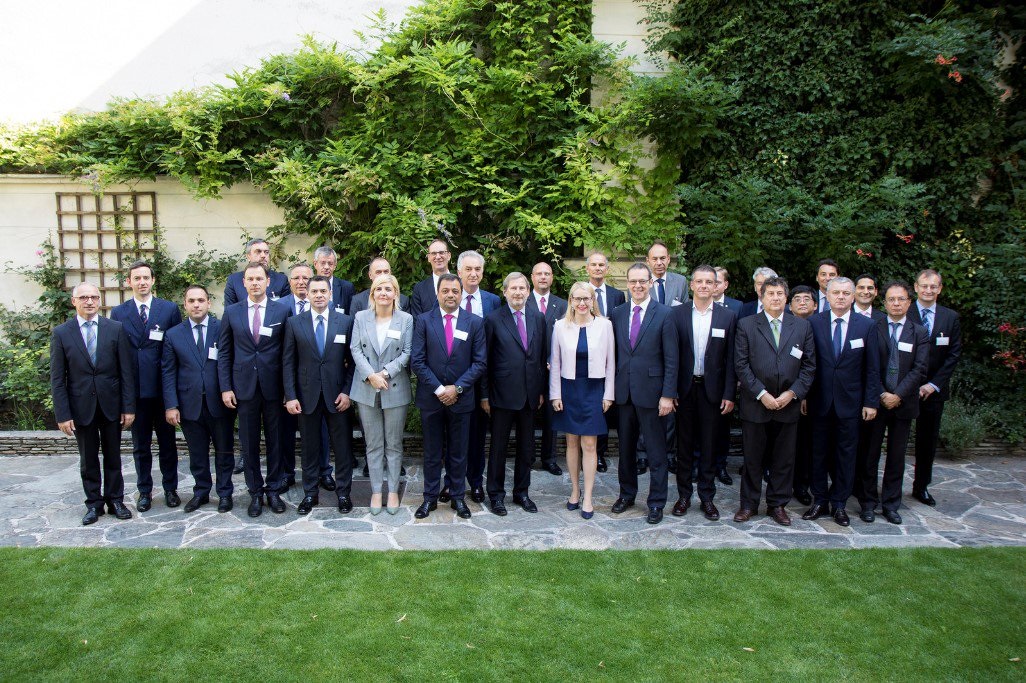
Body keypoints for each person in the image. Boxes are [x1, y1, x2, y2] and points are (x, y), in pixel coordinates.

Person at [50, 283, 136, 525]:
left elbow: (126, 372)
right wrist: (62, 414)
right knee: (88, 459)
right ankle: (93, 504)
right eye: (84, 297)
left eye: (94, 297)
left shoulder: (115, 329)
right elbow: (58, 378)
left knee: (113, 456)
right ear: (74, 301)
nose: (89, 301)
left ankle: (115, 500)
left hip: (111, 404)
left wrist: (128, 407)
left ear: (100, 301)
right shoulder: (62, 333)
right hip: (80, 408)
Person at [733, 276, 816, 526]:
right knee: (752, 459)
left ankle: (777, 505)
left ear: (786, 298)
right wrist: (762, 394)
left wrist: (792, 394)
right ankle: (748, 504)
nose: (776, 298)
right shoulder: (747, 325)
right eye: (771, 294)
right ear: (762, 297)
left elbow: (809, 366)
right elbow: (741, 364)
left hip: (787, 405)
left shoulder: (801, 327)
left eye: (780, 294)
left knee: (784, 459)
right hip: (757, 403)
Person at [803, 276, 880, 527]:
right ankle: (819, 501)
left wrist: (870, 401)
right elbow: (807, 364)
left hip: (851, 404)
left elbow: (872, 368)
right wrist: (803, 395)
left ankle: (839, 504)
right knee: (817, 454)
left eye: (846, 293)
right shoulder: (814, 323)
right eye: (836, 292)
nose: (841, 297)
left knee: (846, 456)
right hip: (819, 401)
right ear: (827, 294)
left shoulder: (866, 326)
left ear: (853, 296)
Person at [217, 261, 291, 518]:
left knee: (276, 442)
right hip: (244, 389)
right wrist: (226, 387)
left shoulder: (281, 312)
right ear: (244, 283)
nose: (255, 283)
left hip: (274, 389)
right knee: (248, 444)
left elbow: (287, 354)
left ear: (268, 282)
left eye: (260, 278)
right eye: (250, 279)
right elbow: (224, 352)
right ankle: (255, 493)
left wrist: (288, 390)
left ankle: (273, 490)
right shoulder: (233, 312)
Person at [411, 274, 487, 520]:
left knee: (458, 452)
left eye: (455, 291)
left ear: (462, 293)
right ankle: (429, 498)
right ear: (438, 293)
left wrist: (458, 388)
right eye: (446, 291)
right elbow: (418, 361)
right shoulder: (423, 321)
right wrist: (440, 389)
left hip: (462, 399)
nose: (451, 295)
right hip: (431, 399)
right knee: (432, 452)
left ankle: (457, 497)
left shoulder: (474, 322)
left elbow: (479, 363)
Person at [109, 260, 182, 511]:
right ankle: (144, 491)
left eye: (146, 278)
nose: (142, 282)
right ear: (128, 282)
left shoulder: (169, 309)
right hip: (136, 391)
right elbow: (118, 354)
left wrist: (174, 396)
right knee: (140, 446)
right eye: (136, 278)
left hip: (163, 389)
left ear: (153, 281)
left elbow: (175, 350)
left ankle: (171, 489)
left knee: (168, 444)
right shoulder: (119, 313)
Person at [609, 263, 679, 524]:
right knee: (625, 450)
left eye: (642, 281)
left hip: (653, 394)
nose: (637, 286)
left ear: (650, 282)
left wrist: (668, 395)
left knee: (656, 451)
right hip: (624, 393)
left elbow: (672, 358)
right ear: (627, 284)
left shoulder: (664, 314)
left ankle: (656, 502)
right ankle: (627, 494)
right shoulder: (617, 313)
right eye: (633, 281)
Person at [282, 276, 356, 515]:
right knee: (310, 449)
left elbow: (353, 362)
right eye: (314, 291)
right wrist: (291, 396)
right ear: (308, 294)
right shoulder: (294, 323)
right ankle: (310, 494)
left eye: (323, 291)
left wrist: (347, 392)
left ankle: (343, 494)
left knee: (343, 449)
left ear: (330, 294)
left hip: (338, 397)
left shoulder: (345, 322)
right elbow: (288, 362)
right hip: (306, 398)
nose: (319, 295)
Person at [858, 280, 929, 524]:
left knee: (897, 457)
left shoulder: (919, 332)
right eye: (891, 299)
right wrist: (881, 394)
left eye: (901, 299)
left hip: (903, 404)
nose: (896, 303)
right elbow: (867, 365)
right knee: (869, 455)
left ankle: (890, 504)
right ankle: (867, 503)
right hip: (875, 402)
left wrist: (897, 394)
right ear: (884, 302)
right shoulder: (872, 327)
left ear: (909, 302)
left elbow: (920, 369)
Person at [669, 265, 737, 520]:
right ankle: (684, 496)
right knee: (684, 446)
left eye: (710, 282)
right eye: (700, 281)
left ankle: (707, 497)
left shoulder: (727, 317)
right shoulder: (677, 315)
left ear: (717, 285)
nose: (705, 286)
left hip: (713, 392)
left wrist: (729, 394)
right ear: (692, 285)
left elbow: (731, 360)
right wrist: (671, 390)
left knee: (709, 446)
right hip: (685, 390)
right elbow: (672, 356)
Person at [161, 285, 235, 513]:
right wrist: (171, 404)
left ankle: (224, 494)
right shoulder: (174, 334)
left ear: (208, 303)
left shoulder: (222, 327)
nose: (196, 305)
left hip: (219, 403)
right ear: (185, 304)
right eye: (191, 301)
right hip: (189, 405)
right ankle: (201, 492)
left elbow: (231, 361)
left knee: (224, 452)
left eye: (200, 300)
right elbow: (168, 371)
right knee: (197, 454)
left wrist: (229, 390)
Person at [481, 272, 548, 515]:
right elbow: (485, 361)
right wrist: (485, 395)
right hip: (501, 396)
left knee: (527, 448)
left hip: (530, 396)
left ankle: (522, 492)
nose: (518, 292)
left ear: (528, 292)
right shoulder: (493, 320)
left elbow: (541, 358)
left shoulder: (538, 318)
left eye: (522, 288)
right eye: (513, 288)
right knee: (498, 448)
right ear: (505, 291)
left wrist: (540, 391)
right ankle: (496, 496)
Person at [550, 282, 615, 519]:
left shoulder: (605, 325)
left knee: (590, 444)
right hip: (568, 389)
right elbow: (555, 362)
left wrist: (609, 394)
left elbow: (611, 362)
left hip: (594, 389)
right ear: (570, 301)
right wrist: (555, 394)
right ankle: (574, 491)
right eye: (577, 299)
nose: (582, 303)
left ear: (592, 300)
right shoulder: (560, 326)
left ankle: (588, 496)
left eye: (586, 298)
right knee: (571, 443)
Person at [350, 273, 413, 515]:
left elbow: (407, 352)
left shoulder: (406, 319)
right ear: (372, 294)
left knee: (394, 444)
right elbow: (355, 349)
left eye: (388, 289)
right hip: (366, 388)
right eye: (379, 289)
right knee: (374, 444)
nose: (384, 293)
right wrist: (370, 375)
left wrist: (385, 373)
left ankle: (394, 491)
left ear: (396, 293)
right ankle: (377, 491)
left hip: (394, 387)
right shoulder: (360, 317)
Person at [905, 268, 962, 506]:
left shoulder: (950, 317)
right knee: (896, 441)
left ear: (940, 289)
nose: (928, 290)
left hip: (933, 391)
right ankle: (887, 487)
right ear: (916, 287)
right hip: (905, 389)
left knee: (927, 441)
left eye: (934, 286)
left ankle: (921, 487)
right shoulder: (903, 312)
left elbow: (953, 354)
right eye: (924, 286)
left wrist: (933, 385)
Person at [449, 249, 499, 504]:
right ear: (458, 272)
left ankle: (476, 482)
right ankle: (451, 482)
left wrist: (487, 391)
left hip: (482, 380)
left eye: (477, 269)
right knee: (452, 436)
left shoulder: (493, 301)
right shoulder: (449, 298)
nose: (473, 274)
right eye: (468, 269)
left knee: (478, 435)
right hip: (453, 379)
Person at [526, 261, 567, 475]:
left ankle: (549, 459)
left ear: (552, 278)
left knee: (553, 414)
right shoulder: (524, 301)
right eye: (539, 273)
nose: (543, 277)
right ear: (532, 277)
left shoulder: (561, 305)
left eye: (547, 274)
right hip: (531, 369)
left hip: (554, 369)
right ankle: (529, 456)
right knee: (530, 413)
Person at [277, 263, 314, 493]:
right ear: (289, 282)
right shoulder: (279, 308)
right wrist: (285, 388)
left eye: (305, 278)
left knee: (318, 430)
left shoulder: (323, 305)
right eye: (296, 278)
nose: (301, 281)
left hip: (316, 382)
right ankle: (287, 473)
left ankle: (322, 471)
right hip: (288, 379)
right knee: (286, 430)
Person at [586, 251, 625, 473]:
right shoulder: (580, 292)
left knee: (606, 408)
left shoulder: (617, 295)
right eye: (594, 265)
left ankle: (600, 453)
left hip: (610, 358)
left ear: (607, 269)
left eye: (602, 265)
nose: (598, 268)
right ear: (587, 268)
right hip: (586, 359)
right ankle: (590, 451)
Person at [787, 285, 818, 505]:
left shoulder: (819, 326)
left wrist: (803, 393)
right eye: (797, 299)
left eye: (807, 299)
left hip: (812, 395)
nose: (802, 303)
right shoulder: (787, 326)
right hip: (786, 395)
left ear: (815, 305)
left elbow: (813, 365)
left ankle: (803, 485)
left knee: (807, 443)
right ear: (791, 305)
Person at [711, 265, 742, 484]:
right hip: (698, 379)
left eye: (717, 281)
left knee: (722, 428)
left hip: (723, 379)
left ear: (725, 284)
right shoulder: (690, 309)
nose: (712, 286)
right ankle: (697, 463)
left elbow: (736, 348)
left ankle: (720, 466)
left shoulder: (737, 309)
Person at [223, 238, 290, 306]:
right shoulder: (234, 280)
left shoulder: (281, 280)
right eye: (258, 251)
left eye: (266, 252)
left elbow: (286, 310)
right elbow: (230, 311)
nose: (263, 255)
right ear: (248, 256)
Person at [409, 239, 452, 317]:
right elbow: (417, 321)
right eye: (434, 253)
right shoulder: (419, 289)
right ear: (429, 257)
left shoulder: (461, 284)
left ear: (449, 256)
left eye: (441, 252)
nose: (438, 257)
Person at [312, 245, 356, 314]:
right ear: (315, 264)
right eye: (323, 263)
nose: (326, 267)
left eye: (330, 264)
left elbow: (350, 316)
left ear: (335, 266)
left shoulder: (346, 287)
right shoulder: (308, 286)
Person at [646, 240, 689, 306]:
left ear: (668, 259)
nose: (659, 263)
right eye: (654, 259)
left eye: (662, 258)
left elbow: (685, 310)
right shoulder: (640, 285)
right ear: (648, 261)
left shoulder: (680, 282)